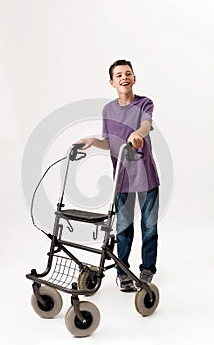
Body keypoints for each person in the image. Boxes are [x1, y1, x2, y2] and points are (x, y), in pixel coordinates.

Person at [77, 59, 160, 291]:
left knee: (149, 225)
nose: (125, 77)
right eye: (119, 75)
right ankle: (123, 271)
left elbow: (146, 125)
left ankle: (147, 269)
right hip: (121, 177)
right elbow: (110, 143)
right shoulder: (108, 110)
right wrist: (94, 141)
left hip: (146, 175)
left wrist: (138, 134)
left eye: (128, 73)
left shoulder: (145, 103)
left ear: (134, 78)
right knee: (122, 227)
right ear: (112, 82)